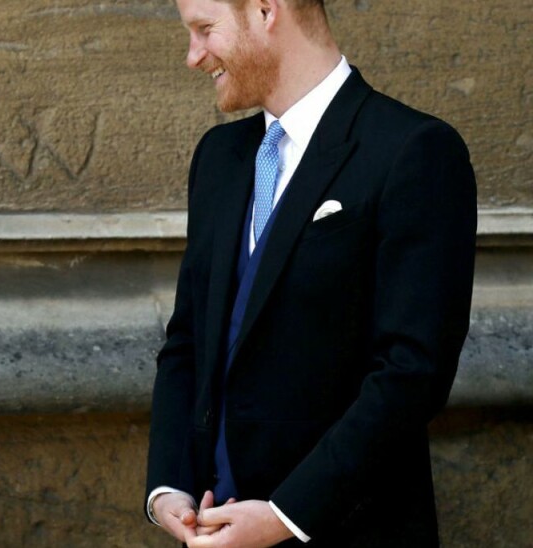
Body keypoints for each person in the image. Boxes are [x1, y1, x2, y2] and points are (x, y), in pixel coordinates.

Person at [145, 0, 476, 546]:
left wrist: (285, 516)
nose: (193, 56)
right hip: (210, 528)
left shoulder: (414, 150)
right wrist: (167, 488)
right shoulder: (219, 156)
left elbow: (412, 372)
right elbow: (187, 341)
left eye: (205, 30)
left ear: (266, 10)